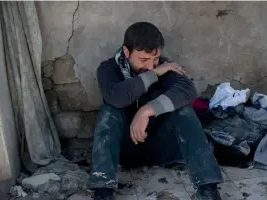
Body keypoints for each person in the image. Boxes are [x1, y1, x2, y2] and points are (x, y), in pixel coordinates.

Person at [87, 22, 223, 200]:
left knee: (183, 110)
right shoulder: (108, 69)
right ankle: (103, 191)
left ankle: (208, 188)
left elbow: (187, 90)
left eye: (155, 59)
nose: (151, 66)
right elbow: (117, 97)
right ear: (127, 52)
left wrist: (146, 111)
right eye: (144, 60)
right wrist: (154, 75)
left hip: (162, 147)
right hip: (125, 150)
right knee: (109, 111)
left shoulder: (165, 66)